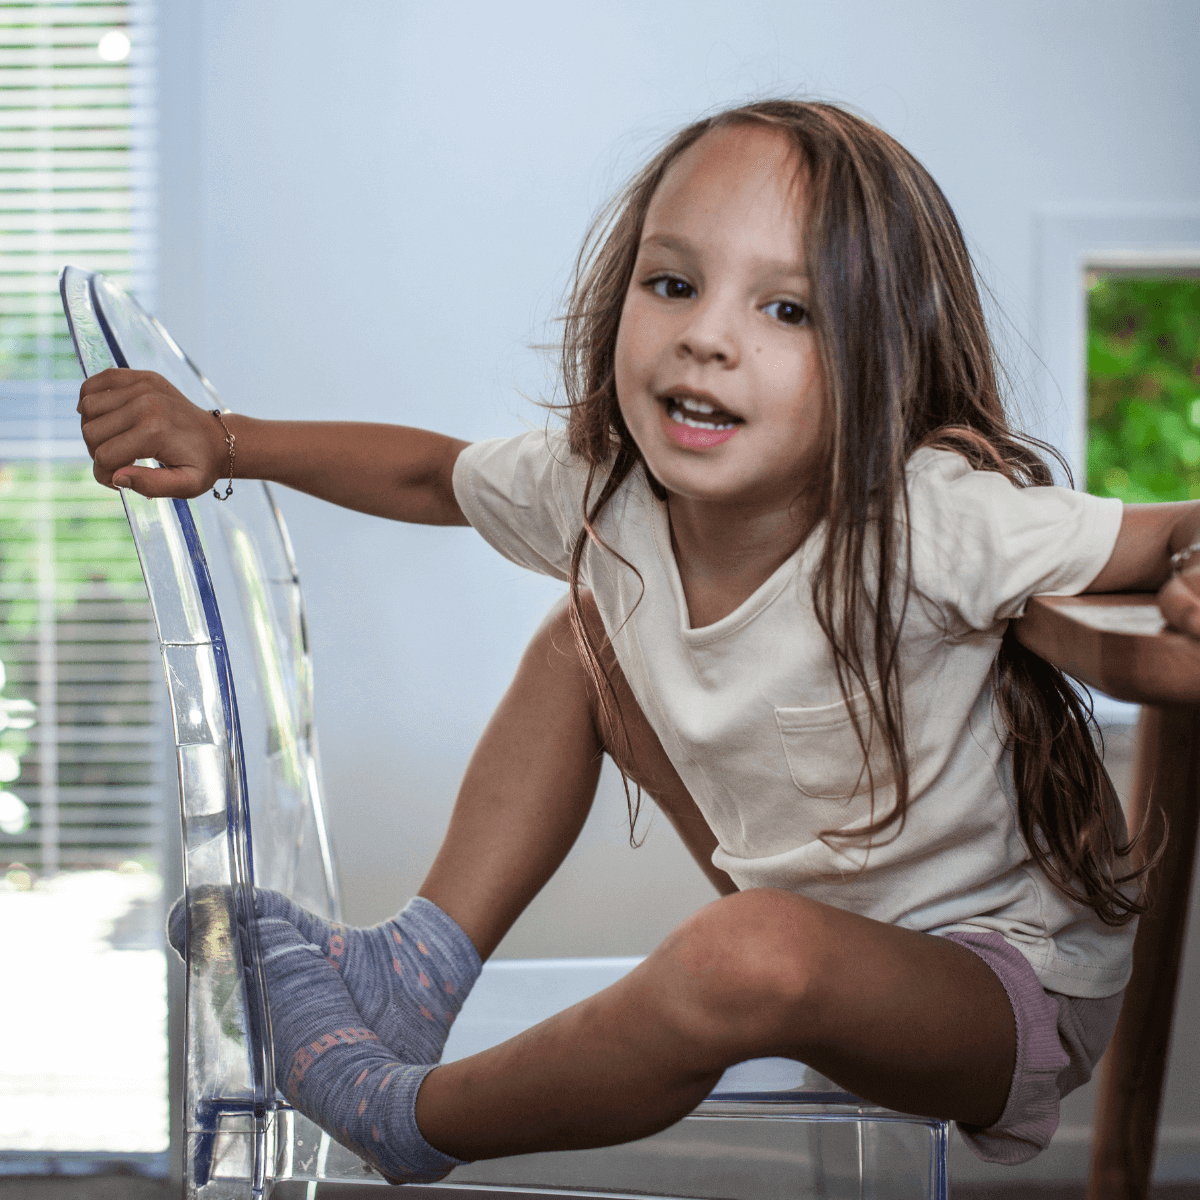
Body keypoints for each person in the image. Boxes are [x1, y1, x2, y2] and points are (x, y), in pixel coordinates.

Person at [78, 100, 1200, 1183]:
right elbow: (430, 475)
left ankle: (406, 1120)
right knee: (585, 636)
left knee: (743, 948)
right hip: (807, 926)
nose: (706, 335)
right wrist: (225, 440)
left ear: (884, 359)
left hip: (996, 990)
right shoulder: (607, 494)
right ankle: (416, 966)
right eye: (673, 285)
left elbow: (1171, 533)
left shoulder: (928, 517)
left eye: (789, 310)